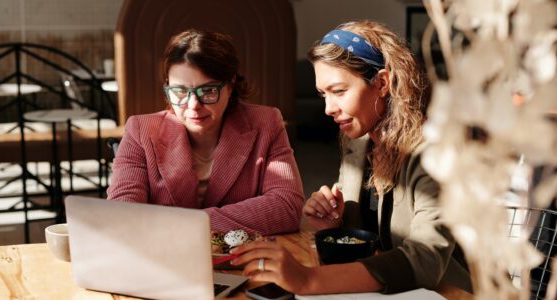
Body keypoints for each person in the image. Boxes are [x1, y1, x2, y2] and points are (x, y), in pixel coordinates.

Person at [231, 20, 472, 294]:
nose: (328, 108)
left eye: (339, 91)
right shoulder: (359, 145)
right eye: (323, 94)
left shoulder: (435, 153)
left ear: (381, 83)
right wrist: (334, 224)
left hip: (448, 292)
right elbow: (368, 240)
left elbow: (426, 260)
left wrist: (308, 280)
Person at [107, 29, 304, 235]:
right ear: (167, 87)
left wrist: (190, 224)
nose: (193, 105)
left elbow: (287, 206)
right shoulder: (141, 130)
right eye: (180, 91)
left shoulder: (266, 123)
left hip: (242, 261)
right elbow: (122, 214)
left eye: (208, 90)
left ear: (230, 85)